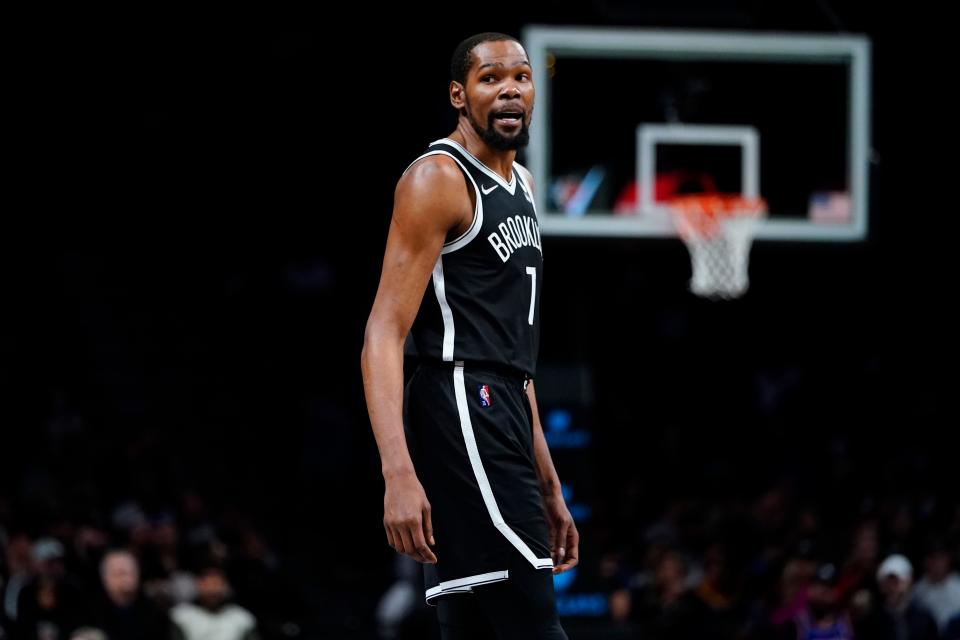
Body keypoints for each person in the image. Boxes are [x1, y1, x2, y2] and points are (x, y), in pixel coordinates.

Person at [361, 32, 577, 639]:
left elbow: (517, 359)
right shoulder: (439, 178)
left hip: (502, 401)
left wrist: (550, 483)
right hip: (459, 402)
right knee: (534, 622)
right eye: (490, 78)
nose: (509, 87)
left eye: (521, 76)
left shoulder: (526, 188)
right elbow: (383, 330)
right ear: (459, 95)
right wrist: (396, 471)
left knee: (475, 625)